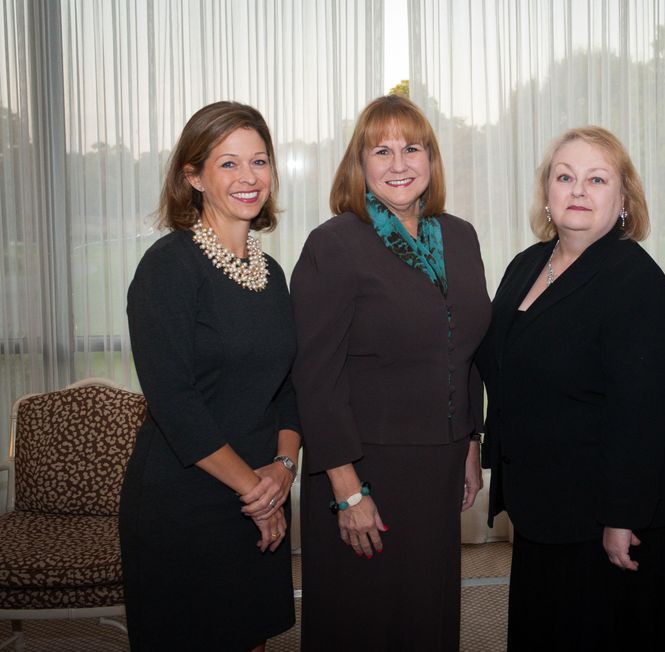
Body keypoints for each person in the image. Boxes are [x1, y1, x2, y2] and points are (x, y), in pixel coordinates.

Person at [476, 126, 665, 650]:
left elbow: (641, 414)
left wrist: (621, 517)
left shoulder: (635, 282)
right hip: (547, 509)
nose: (578, 190)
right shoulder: (528, 264)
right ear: (547, 193)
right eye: (565, 177)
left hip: (609, 520)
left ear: (623, 200)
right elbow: (503, 369)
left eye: (596, 179)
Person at [290, 94, 491, 651]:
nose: (399, 163)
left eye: (412, 147)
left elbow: (465, 349)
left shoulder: (460, 236)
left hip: (439, 466)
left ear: (431, 159)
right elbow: (315, 377)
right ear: (360, 164)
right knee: (365, 621)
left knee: (426, 617)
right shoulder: (333, 245)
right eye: (382, 150)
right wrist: (348, 491)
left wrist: (470, 445)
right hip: (363, 467)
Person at [120, 101, 300, 651]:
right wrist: (257, 491)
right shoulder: (168, 267)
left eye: (259, 161)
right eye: (228, 164)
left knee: (251, 639)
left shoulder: (270, 273)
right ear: (192, 176)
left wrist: (284, 469)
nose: (248, 177)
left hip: (261, 492)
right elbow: (175, 403)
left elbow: (288, 387)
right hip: (186, 502)